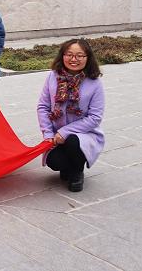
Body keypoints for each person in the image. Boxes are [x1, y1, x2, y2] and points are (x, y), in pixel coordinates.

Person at [37, 39, 105, 193]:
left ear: (87, 58)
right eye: (69, 55)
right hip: (56, 135)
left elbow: (95, 117)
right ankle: (68, 165)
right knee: (54, 162)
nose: (74, 59)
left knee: (73, 141)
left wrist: (65, 132)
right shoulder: (52, 76)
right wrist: (48, 134)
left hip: (84, 134)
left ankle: (77, 172)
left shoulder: (95, 83)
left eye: (80, 55)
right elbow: (43, 107)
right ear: (62, 56)